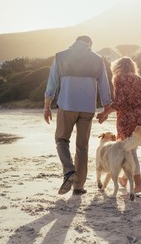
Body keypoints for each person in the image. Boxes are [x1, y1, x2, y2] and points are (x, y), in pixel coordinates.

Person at [43, 35, 112, 195]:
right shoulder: (97, 59)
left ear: (75, 41)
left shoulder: (61, 56)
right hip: (87, 108)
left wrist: (47, 106)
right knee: (82, 146)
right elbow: (104, 85)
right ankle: (79, 186)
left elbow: (51, 83)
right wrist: (106, 109)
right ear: (89, 44)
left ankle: (69, 171)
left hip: (67, 105)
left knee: (61, 139)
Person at [97, 56, 141, 193]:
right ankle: (125, 178)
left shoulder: (119, 79)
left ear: (118, 68)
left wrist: (104, 114)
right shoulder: (140, 80)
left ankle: (138, 185)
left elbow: (119, 102)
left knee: (130, 151)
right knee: (130, 149)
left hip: (126, 120)